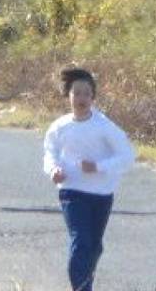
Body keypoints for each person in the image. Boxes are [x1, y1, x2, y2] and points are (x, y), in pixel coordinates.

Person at [43, 67, 135, 291]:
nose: (81, 98)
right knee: (81, 241)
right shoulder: (59, 126)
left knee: (94, 246)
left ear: (93, 97)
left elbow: (127, 156)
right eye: (76, 93)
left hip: (101, 194)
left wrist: (98, 167)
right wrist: (53, 169)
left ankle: (86, 281)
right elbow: (49, 153)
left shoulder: (104, 126)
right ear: (68, 96)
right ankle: (81, 288)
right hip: (71, 191)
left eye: (86, 93)